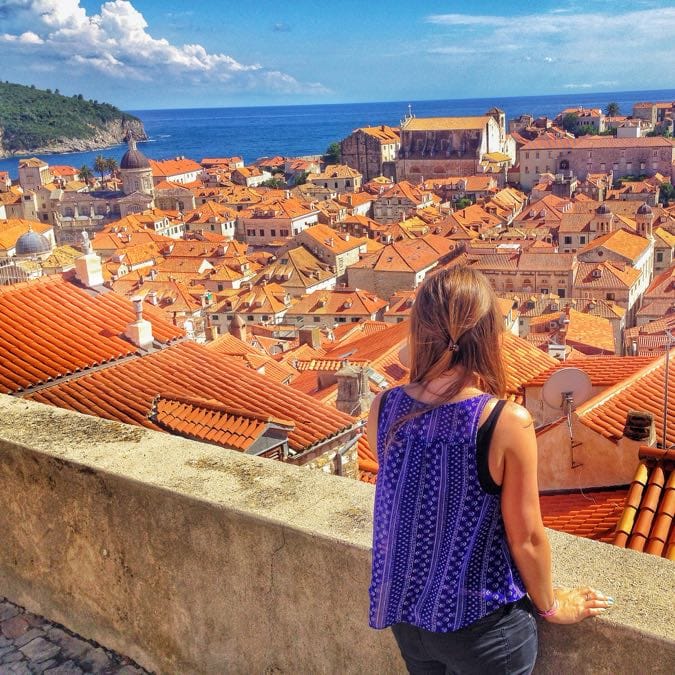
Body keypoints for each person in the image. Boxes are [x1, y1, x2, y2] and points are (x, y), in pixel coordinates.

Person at [367, 267, 613, 675]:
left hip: (410, 620)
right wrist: (552, 605)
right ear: (486, 335)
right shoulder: (502, 421)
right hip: (483, 628)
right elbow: (527, 536)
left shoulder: (385, 407)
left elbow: (414, 499)